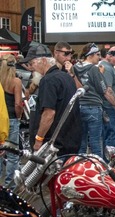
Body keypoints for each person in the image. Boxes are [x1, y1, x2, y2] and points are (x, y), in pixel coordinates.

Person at [23, 43, 82, 155]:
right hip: (70, 139)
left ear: (44, 60)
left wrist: (38, 140)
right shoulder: (65, 77)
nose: (31, 67)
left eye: (32, 63)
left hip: (54, 144)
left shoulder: (48, 80)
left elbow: (49, 113)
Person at [73, 43, 115, 159]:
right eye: (97, 55)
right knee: (96, 142)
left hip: (79, 107)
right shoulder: (93, 69)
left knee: (82, 140)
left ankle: (79, 166)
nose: (99, 58)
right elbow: (105, 91)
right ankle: (100, 169)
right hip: (93, 107)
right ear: (90, 55)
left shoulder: (75, 68)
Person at [0, 56, 22, 187]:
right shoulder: (16, 81)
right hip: (12, 119)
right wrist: (19, 117)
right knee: (12, 155)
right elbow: (18, 103)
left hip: (1, 119)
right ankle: (10, 186)